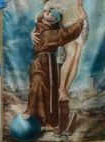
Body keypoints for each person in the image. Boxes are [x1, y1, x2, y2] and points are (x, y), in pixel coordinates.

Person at [23, 2, 86, 130]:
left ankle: (50, 120)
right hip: (41, 63)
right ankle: (31, 112)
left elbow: (59, 29)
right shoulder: (46, 34)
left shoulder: (48, 29)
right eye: (47, 14)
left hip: (48, 62)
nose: (51, 13)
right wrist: (80, 21)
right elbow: (64, 34)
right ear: (43, 20)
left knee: (51, 91)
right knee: (38, 84)